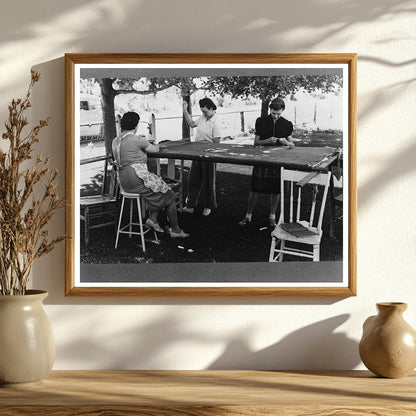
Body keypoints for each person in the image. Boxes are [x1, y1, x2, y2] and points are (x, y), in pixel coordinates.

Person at [112, 112, 189, 238]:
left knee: (157, 189)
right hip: (136, 178)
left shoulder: (115, 141)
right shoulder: (138, 139)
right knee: (169, 194)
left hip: (123, 181)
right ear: (136, 126)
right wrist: (155, 144)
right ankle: (176, 230)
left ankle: (153, 219)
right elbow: (155, 149)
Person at [239, 97, 295, 227]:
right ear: (269, 109)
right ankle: (248, 215)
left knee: (276, 191)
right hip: (262, 159)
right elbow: (256, 142)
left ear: (283, 111)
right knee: (255, 189)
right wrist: (268, 141)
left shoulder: (287, 124)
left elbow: (292, 145)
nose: (275, 116)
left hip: (278, 160)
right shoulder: (261, 121)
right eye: (273, 113)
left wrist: (287, 142)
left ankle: (272, 217)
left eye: (278, 114)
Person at [182, 98, 221, 217]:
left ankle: (208, 206)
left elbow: (216, 142)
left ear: (211, 108)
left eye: (205, 111)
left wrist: (207, 149)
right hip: (197, 153)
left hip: (209, 155)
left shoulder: (216, 122)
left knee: (209, 182)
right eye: (202, 111)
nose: (203, 113)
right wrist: (184, 109)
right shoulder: (203, 118)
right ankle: (191, 205)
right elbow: (192, 124)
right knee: (193, 180)